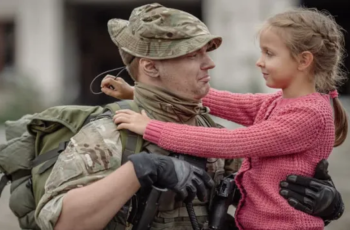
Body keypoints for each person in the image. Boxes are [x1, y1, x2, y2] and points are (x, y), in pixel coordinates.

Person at [111, 7, 347, 230]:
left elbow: (230, 142)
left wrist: (152, 128)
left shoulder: (308, 114)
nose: (259, 61)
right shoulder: (280, 102)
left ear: (304, 60)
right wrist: (140, 91)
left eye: (269, 53)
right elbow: (227, 102)